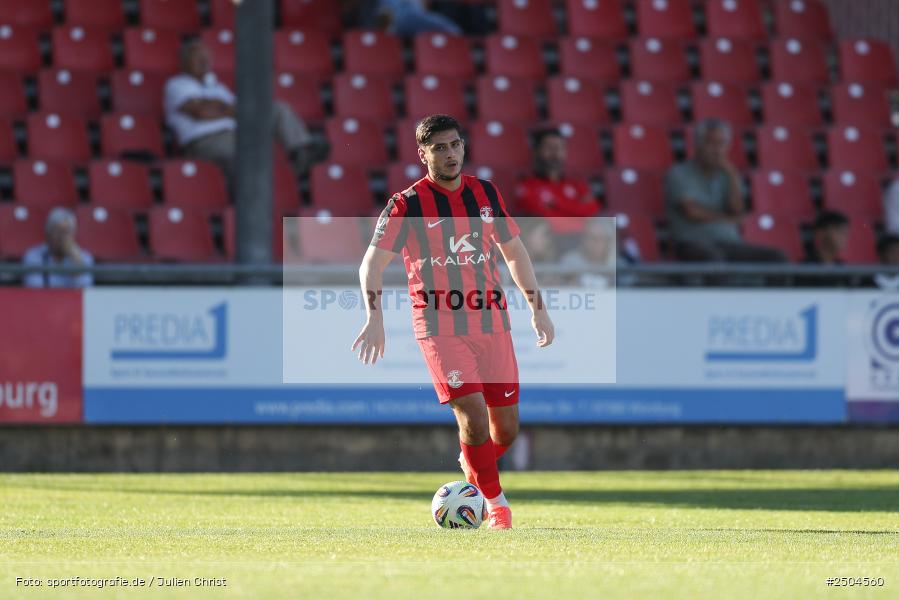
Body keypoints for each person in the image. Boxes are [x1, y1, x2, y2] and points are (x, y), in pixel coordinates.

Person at [352, 114, 555, 530]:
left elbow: (514, 253)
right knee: (474, 417)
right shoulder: (406, 205)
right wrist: (374, 316)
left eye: (455, 145)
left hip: (492, 322)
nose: (450, 154)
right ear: (423, 153)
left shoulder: (485, 193)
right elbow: (370, 266)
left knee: (507, 429)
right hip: (440, 326)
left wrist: (537, 306)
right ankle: (496, 506)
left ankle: (473, 465)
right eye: (440, 147)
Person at [164, 39, 325, 185]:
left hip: (236, 133)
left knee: (277, 110)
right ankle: (253, 198)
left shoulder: (217, 86)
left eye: (206, 57)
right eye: (198, 57)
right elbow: (202, 113)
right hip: (204, 142)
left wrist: (217, 106)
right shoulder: (177, 84)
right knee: (248, 150)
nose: (204, 61)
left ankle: (302, 151)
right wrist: (223, 108)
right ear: (184, 61)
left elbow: (240, 110)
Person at [666, 119, 787, 262]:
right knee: (714, 259)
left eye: (722, 144)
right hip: (692, 242)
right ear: (698, 145)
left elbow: (737, 210)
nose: (717, 150)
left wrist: (732, 175)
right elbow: (693, 212)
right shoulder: (679, 172)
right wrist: (728, 219)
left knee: (777, 257)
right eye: (711, 143)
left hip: (729, 243)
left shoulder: (727, 174)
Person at [516, 128, 600, 245]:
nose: (555, 152)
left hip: (580, 241)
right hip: (550, 243)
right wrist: (576, 211)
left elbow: (592, 209)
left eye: (560, 147)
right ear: (537, 151)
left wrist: (556, 204)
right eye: (549, 147)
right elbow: (541, 217)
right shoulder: (527, 186)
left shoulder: (576, 184)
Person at [22, 207, 93, 288]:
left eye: (66, 232)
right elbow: (33, 287)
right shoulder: (33, 256)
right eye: (57, 231)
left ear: (73, 234)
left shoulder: (84, 257)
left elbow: (85, 290)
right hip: (43, 300)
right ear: (48, 233)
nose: (61, 237)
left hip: (71, 300)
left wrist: (77, 262)